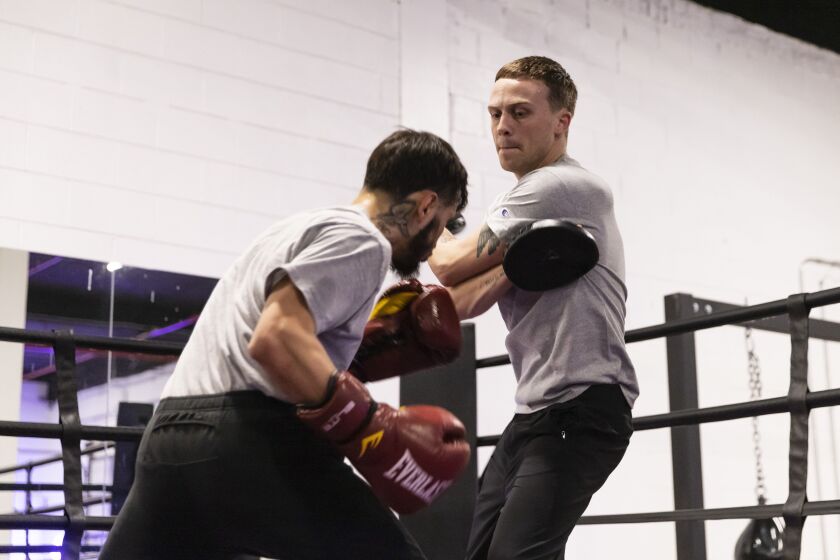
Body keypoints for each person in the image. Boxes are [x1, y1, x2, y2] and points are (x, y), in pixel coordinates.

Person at [100, 129, 472, 560]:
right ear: (425, 205)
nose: (430, 248)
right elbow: (276, 338)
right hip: (248, 439)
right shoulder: (363, 239)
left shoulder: (296, 228)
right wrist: (369, 423)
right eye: (440, 224)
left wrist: (350, 360)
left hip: (169, 439)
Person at [429, 55, 639, 559]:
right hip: (534, 414)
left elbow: (448, 266)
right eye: (495, 113)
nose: (502, 127)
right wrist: (510, 268)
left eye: (520, 113)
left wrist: (426, 207)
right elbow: (458, 304)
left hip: (583, 409)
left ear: (562, 122)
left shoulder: (559, 186)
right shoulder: (526, 202)